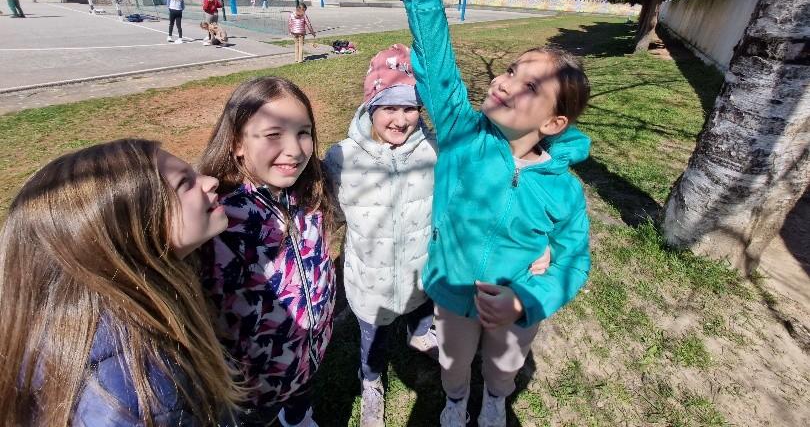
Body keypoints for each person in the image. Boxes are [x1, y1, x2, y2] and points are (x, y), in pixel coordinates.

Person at [398, 0, 592, 427]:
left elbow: (574, 260)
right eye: (510, 70)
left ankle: (495, 400)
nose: (505, 81)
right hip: (452, 295)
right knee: (453, 363)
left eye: (530, 86)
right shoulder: (461, 132)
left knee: (503, 367)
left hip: (514, 309)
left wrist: (526, 301)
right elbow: (434, 48)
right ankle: (458, 400)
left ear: (553, 124)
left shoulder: (563, 190)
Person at [324, 44, 553, 427]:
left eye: (411, 108)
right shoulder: (342, 158)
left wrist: (534, 240)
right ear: (370, 105)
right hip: (369, 283)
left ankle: (419, 335)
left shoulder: (436, 152)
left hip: (422, 274)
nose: (400, 120)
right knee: (373, 342)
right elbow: (327, 213)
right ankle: (371, 382)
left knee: (420, 312)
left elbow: (475, 197)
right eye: (389, 107)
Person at [0, 139, 242, 426]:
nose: (211, 181)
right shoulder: (141, 392)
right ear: (132, 228)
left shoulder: (113, 317)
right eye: (185, 183)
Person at [199, 77, 336, 427]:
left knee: (300, 400)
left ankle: (299, 416)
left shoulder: (309, 192)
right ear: (237, 143)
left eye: (303, 133)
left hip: (308, 356)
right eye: (274, 134)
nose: (295, 150)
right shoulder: (217, 221)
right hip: (251, 387)